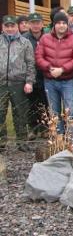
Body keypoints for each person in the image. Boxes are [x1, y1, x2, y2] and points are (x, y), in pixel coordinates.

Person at [35, 12, 73, 135]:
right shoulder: (45, 38)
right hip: (50, 81)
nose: (61, 26)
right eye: (58, 23)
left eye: (64, 23)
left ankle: (71, 140)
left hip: (68, 81)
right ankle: (59, 139)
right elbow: (39, 57)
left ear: (67, 25)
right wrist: (50, 68)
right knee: (54, 112)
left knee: (70, 112)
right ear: (54, 24)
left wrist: (62, 69)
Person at [0, 15, 35, 151]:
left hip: (19, 83)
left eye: (12, 26)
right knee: (0, 112)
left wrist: (29, 82)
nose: (9, 28)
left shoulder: (25, 43)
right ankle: (2, 141)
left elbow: (31, 64)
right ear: (3, 27)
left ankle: (22, 141)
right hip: (1, 83)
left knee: (20, 113)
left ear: (17, 27)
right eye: (7, 26)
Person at [24, 12, 49, 135]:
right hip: (30, 76)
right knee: (31, 104)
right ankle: (33, 129)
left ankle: (45, 128)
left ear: (42, 24)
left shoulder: (48, 37)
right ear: (29, 24)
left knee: (45, 102)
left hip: (45, 75)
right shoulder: (24, 38)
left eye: (38, 23)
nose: (35, 25)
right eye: (33, 23)